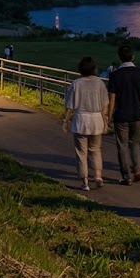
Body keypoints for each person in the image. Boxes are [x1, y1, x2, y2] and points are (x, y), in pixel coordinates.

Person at [105, 43, 140, 185]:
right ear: (133, 56)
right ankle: (137, 170)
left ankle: (126, 176)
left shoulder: (115, 75)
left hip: (121, 114)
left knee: (122, 146)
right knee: (135, 143)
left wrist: (109, 116)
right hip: (136, 113)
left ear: (119, 57)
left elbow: (112, 98)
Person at [62, 56, 109, 191]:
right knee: (96, 149)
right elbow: (105, 104)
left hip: (81, 120)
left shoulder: (76, 84)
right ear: (94, 69)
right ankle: (98, 176)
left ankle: (85, 182)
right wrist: (105, 122)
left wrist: (66, 120)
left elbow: (70, 105)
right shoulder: (100, 83)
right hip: (97, 119)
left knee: (81, 153)